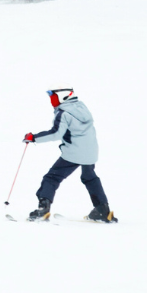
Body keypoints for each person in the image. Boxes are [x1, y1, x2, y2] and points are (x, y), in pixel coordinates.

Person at [25, 90, 117, 222]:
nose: (51, 100)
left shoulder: (64, 113)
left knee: (52, 177)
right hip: (91, 151)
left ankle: (43, 209)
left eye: (53, 96)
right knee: (89, 177)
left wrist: (34, 138)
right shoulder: (81, 107)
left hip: (74, 152)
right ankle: (102, 210)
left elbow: (56, 133)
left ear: (62, 96)